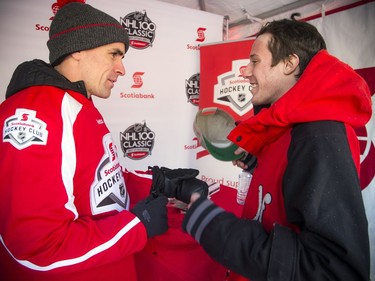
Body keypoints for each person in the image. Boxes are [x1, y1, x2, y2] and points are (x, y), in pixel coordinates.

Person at [179, 19, 372, 281]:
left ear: (289, 63)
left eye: (255, 61)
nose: (245, 71)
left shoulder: (320, 135)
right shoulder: (287, 127)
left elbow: (332, 270)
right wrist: (258, 163)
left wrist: (213, 225)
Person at [0, 1, 170, 281]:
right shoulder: (36, 113)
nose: (122, 69)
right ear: (77, 49)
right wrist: (137, 226)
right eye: (114, 54)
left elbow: (96, 183)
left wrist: (158, 182)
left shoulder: (78, 102)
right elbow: (36, 248)